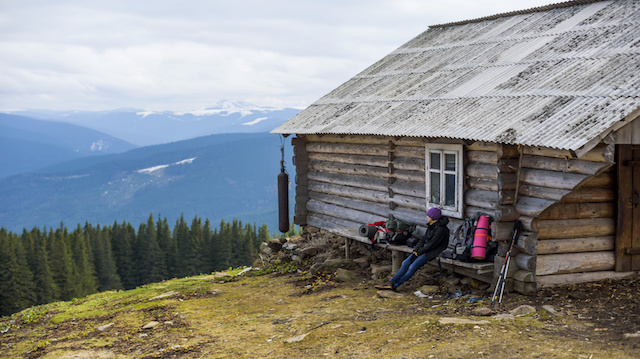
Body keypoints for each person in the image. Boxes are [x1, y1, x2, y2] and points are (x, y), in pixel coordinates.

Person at [375, 207, 449, 291]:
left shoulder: (441, 230)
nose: (427, 217)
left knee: (412, 267)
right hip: (423, 250)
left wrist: (419, 252)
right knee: (405, 263)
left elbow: (431, 245)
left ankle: (396, 284)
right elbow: (423, 239)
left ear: (433, 218)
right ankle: (391, 282)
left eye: (428, 216)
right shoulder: (432, 226)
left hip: (433, 251)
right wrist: (416, 249)